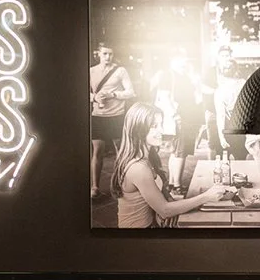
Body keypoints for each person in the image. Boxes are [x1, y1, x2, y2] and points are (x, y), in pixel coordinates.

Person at [109, 105, 235, 228]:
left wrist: (180, 201)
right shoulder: (138, 168)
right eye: (154, 126)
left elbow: (164, 198)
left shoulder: (149, 156)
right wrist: (206, 196)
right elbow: (164, 210)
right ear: (138, 130)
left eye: (161, 124)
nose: (161, 130)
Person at [88, 41, 135, 199]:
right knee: (97, 152)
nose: (108, 57)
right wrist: (94, 97)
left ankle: (121, 185)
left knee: (121, 152)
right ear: (98, 54)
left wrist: (113, 94)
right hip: (98, 115)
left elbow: (131, 92)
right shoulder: (91, 71)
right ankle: (95, 188)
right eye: (105, 54)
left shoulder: (120, 71)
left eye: (111, 54)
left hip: (116, 115)